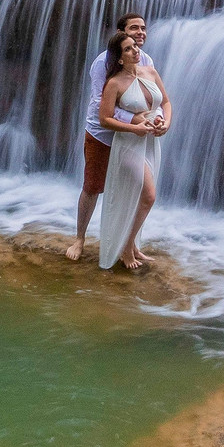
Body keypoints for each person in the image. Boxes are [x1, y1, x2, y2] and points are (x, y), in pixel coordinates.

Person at [65, 13, 168, 261]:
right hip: (104, 135)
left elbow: (154, 99)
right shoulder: (102, 63)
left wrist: (158, 118)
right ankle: (80, 238)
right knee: (92, 187)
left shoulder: (146, 62)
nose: (141, 33)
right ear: (121, 33)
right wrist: (135, 120)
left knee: (138, 189)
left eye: (144, 28)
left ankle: (128, 243)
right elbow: (101, 104)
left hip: (133, 139)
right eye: (134, 28)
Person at [97, 31, 172, 269]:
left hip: (150, 143)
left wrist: (165, 123)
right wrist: (133, 128)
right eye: (128, 49)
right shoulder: (115, 83)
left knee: (140, 196)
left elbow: (166, 103)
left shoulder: (150, 72)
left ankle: (132, 245)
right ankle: (126, 248)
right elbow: (104, 119)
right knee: (149, 196)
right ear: (119, 58)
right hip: (128, 144)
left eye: (135, 47)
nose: (135, 51)